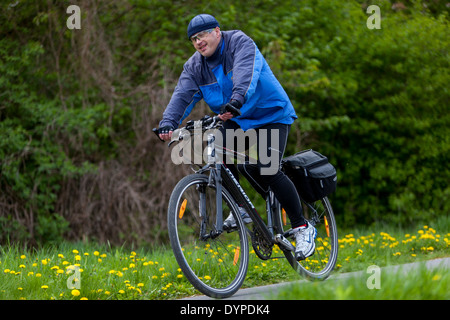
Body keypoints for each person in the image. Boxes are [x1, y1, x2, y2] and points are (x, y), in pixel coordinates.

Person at [157, 14, 316, 261]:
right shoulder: (195, 67)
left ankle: (302, 227)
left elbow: (245, 74)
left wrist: (237, 99)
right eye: (193, 39)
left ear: (218, 32)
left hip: (270, 114)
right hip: (237, 118)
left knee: (267, 168)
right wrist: (168, 123)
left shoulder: (240, 43)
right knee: (217, 149)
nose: (198, 42)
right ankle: (240, 208)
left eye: (203, 35)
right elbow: (182, 96)